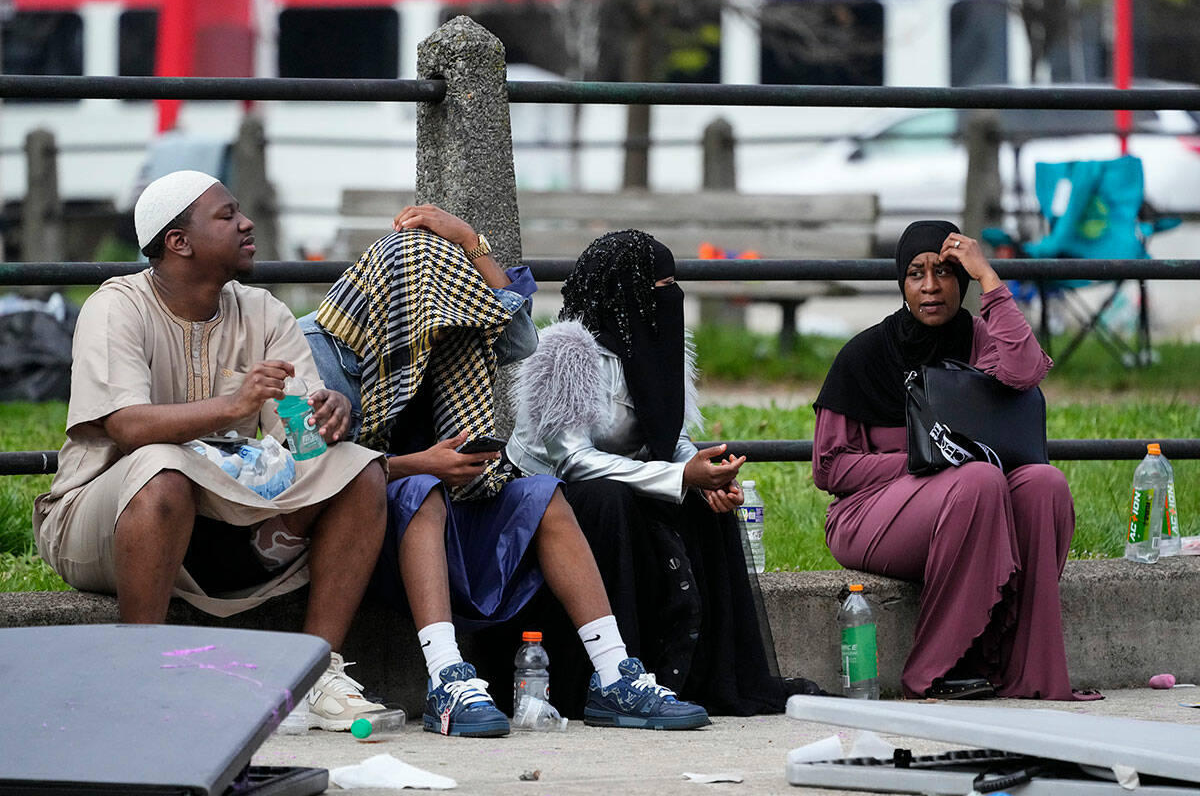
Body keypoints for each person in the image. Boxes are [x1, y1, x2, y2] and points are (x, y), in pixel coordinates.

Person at [302, 206, 710, 735]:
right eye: (438, 302)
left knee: (542, 493)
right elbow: (310, 468)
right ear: (398, 295)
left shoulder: (444, 337)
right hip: (371, 523)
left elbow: (519, 339)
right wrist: (421, 464)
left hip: (454, 504)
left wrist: (474, 243)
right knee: (423, 489)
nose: (449, 318)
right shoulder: (316, 347)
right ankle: (446, 678)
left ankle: (614, 675)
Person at [32, 170, 393, 730]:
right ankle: (137, 675)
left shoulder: (264, 312)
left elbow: (297, 439)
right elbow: (126, 425)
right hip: (99, 521)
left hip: (220, 522)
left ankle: (314, 673)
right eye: (226, 217)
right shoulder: (115, 307)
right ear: (178, 242)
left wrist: (326, 421)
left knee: (359, 470)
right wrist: (231, 406)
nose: (246, 223)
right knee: (161, 467)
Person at [507, 229, 822, 716]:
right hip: (551, 502)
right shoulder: (565, 353)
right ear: (623, 294)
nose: (669, 298)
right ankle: (609, 678)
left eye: (673, 285)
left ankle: (700, 675)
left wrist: (705, 475)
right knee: (609, 499)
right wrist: (678, 479)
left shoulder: (656, 348)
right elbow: (572, 461)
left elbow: (666, 435)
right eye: (658, 287)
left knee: (702, 505)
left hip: (621, 485)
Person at [812, 219, 1100, 701]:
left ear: (962, 281)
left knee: (1044, 484)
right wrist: (926, 461)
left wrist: (991, 278)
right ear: (901, 283)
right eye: (916, 274)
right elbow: (831, 469)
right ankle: (935, 669)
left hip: (971, 503)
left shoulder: (980, 340)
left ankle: (1024, 671)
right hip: (868, 513)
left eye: (945, 272)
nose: (930, 286)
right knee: (978, 480)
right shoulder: (866, 354)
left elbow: (1026, 371)